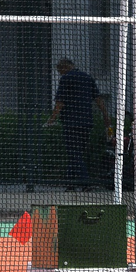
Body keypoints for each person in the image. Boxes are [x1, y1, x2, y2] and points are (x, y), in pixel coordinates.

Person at [44, 59, 111, 189]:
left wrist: (52, 119)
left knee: (74, 153)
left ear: (64, 68)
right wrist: (106, 116)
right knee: (76, 153)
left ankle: (84, 182)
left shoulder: (66, 79)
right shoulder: (87, 78)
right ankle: (70, 183)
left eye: (60, 71)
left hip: (71, 122)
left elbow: (60, 102)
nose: (60, 74)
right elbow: (98, 99)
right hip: (86, 122)